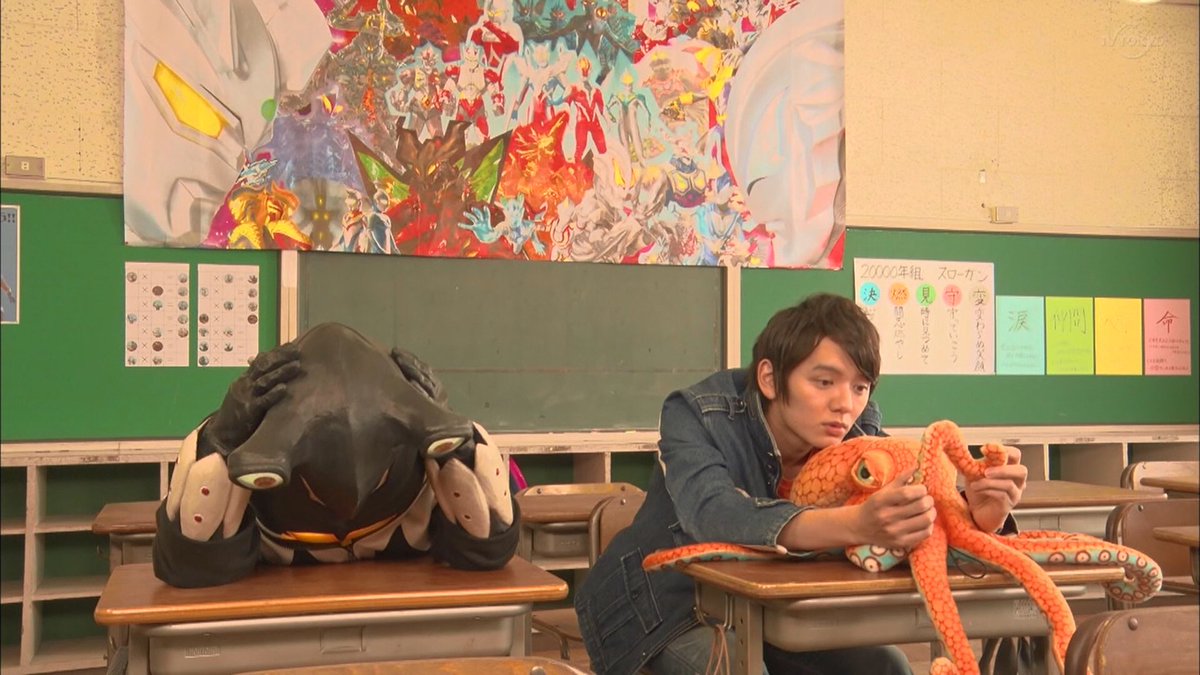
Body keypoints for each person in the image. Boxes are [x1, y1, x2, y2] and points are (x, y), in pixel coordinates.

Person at [574, 293, 1027, 675]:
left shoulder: (860, 433)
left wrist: (976, 513)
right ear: (770, 379)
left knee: (887, 666)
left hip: (778, 614)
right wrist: (856, 524)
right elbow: (714, 514)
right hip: (664, 612)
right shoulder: (697, 413)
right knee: (738, 667)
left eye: (860, 387)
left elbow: (915, 507)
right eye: (824, 382)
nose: (844, 405)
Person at [152, 322, 520, 588]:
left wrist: (458, 449)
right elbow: (189, 567)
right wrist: (221, 438)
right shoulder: (248, 456)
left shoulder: (422, 457)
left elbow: (487, 551)